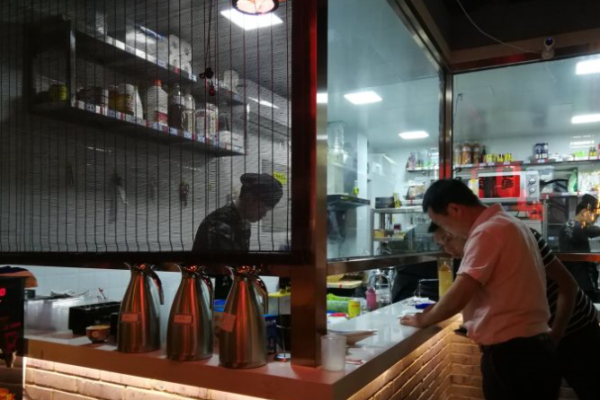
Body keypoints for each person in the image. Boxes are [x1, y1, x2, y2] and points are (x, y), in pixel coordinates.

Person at [400, 179, 560, 400]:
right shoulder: (510, 223)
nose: (446, 231)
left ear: (454, 209)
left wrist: (422, 319)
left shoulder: (487, 232)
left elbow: (460, 294)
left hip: (513, 356)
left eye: (440, 222)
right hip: (534, 350)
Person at [432, 223, 600, 400]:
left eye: (448, 238)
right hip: (536, 339)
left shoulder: (516, 236)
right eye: (442, 245)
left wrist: (554, 339)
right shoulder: (476, 255)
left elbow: (568, 285)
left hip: (576, 328)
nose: (448, 249)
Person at [192, 173, 283, 298]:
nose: (264, 215)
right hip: (212, 295)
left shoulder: (242, 222)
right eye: (263, 209)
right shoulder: (220, 225)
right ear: (249, 198)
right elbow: (226, 273)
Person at [559, 194, 600, 301]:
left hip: (576, 284)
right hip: (581, 286)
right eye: (595, 216)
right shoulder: (575, 227)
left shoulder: (570, 225)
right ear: (584, 212)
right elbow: (592, 230)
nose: (595, 220)